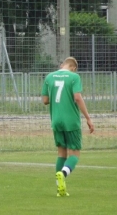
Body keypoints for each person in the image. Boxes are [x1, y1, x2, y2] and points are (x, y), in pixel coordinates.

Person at [41, 57, 94, 197]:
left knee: (61, 153)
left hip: (56, 120)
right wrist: (88, 118)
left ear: (62, 65)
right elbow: (77, 97)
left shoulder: (49, 77)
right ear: (73, 68)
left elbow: (45, 100)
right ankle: (63, 173)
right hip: (71, 121)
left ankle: (60, 189)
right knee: (75, 153)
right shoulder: (74, 77)